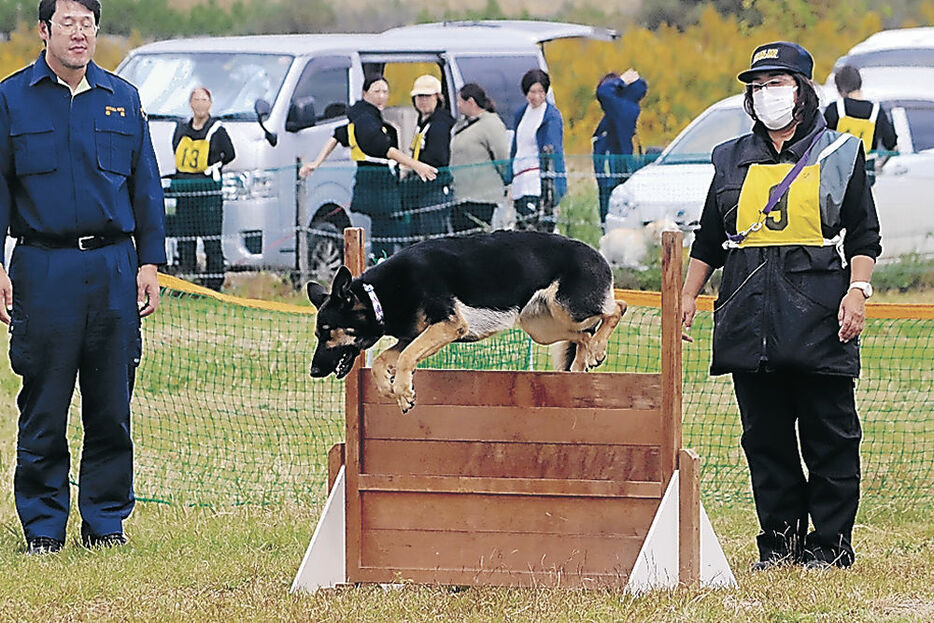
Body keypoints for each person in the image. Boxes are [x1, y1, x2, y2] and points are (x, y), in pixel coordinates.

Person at [681, 42, 881, 570]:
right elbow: (708, 239)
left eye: (778, 82)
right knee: (765, 443)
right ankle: (780, 546)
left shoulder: (840, 152)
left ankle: (831, 546)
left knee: (830, 439)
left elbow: (864, 234)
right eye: (758, 84)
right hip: (749, 318)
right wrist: (687, 294)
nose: (766, 93)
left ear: (802, 89)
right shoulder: (728, 157)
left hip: (820, 315)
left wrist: (857, 291)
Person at [0, 0, 166, 555]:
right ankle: (43, 529)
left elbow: (146, 187)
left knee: (111, 407)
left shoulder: (124, 99)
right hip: (43, 269)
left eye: (87, 24)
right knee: (43, 406)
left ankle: (105, 524)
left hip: (114, 268)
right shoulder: (11, 98)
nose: (79, 34)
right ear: (44, 30)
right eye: (67, 24)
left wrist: (149, 262)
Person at [300, 74, 436, 261]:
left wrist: (317, 163)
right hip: (379, 187)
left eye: (385, 92)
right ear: (365, 93)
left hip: (372, 185)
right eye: (376, 91)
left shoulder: (361, 118)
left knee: (386, 232)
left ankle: (383, 261)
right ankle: (385, 264)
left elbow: (337, 136)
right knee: (392, 232)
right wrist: (416, 165)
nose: (381, 96)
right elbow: (384, 149)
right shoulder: (366, 120)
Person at [171, 86, 235, 290]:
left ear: (210, 104)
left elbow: (230, 154)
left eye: (204, 100)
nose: (200, 104)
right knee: (186, 237)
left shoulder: (218, 129)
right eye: (196, 100)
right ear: (190, 103)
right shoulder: (181, 128)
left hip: (208, 192)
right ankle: (187, 279)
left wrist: (213, 167)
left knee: (211, 238)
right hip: (185, 191)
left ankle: (214, 282)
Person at [507, 69, 567, 233]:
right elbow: (516, 148)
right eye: (532, 92)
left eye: (541, 92)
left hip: (537, 183)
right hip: (520, 180)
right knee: (520, 229)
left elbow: (554, 153)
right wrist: (509, 180)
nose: (536, 96)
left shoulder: (551, 116)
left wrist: (556, 190)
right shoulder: (521, 113)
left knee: (537, 232)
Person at [449, 83, 510, 233]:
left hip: (483, 198)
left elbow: (502, 158)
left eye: (460, 101)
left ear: (470, 102)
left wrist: (507, 183)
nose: (458, 106)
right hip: (461, 196)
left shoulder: (492, 124)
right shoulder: (462, 125)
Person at [823, 65, 897, 185]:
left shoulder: (835, 109)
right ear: (860, 83)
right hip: (865, 175)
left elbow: (820, 140)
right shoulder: (876, 111)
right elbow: (891, 144)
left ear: (840, 88)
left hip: (836, 176)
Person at [401, 74, 455, 240]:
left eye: (427, 96)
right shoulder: (423, 122)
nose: (423, 100)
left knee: (433, 236)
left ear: (437, 97)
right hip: (421, 186)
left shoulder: (440, 124)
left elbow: (437, 157)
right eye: (419, 96)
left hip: (434, 187)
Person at [592, 69, 648, 228]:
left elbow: (603, 92)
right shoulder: (626, 108)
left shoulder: (620, 108)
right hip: (618, 169)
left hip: (612, 172)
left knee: (610, 212)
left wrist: (621, 81)